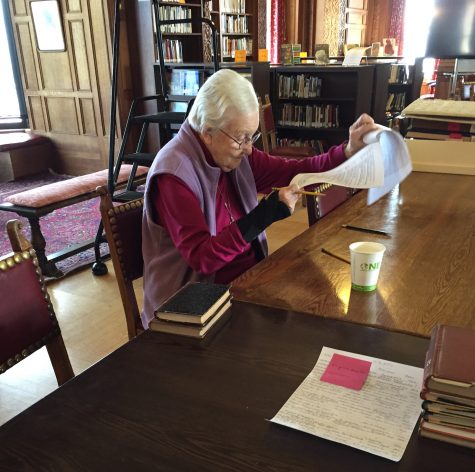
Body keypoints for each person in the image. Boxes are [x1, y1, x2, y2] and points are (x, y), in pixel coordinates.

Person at [141, 69, 377, 328]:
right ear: (208, 131)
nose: (249, 148)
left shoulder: (232, 153)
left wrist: (347, 150)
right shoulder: (174, 174)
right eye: (241, 138)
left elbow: (293, 172)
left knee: (319, 314)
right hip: (189, 308)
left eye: (251, 137)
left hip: (241, 286)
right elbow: (202, 257)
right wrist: (265, 215)